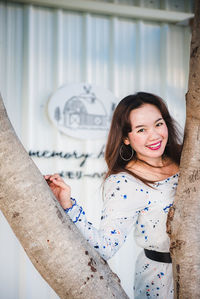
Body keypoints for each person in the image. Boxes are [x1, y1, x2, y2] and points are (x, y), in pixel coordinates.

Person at [45, 92, 182, 298]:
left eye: (158, 124)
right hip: (162, 280)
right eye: (141, 129)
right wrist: (69, 205)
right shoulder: (125, 182)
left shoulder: (187, 158)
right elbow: (106, 247)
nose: (154, 135)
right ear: (126, 138)